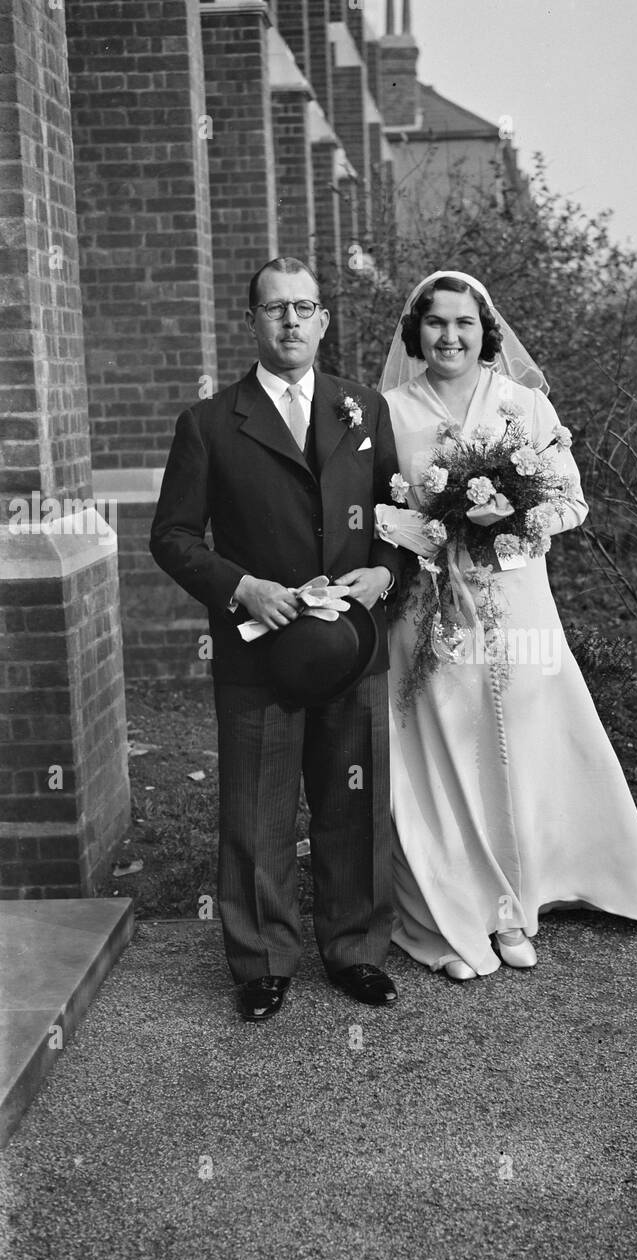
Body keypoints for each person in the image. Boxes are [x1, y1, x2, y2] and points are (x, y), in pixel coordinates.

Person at [377, 271, 637, 980]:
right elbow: (368, 509)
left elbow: (569, 502)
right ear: (416, 331)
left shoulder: (522, 405)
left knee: (512, 746)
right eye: (435, 323)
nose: (449, 336)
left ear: (485, 332)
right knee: (441, 753)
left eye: (463, 324)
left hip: (514, 605)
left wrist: (507, 518)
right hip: (429, 608)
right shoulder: (386, 412)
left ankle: (516, 908)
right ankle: (454, 909)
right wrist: (417, 526)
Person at [151, 256, 407, 1020]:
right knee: (257, 809)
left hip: (350, 646)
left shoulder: (363, 409)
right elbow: (170, 537)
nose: (290, 321)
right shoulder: (208, 423)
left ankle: (357, 951)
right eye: (273, 309)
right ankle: (262, 961)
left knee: (354, 803)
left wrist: (383, 576)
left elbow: (396, 519)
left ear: (324, 320)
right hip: (258, 649)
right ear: (252, 321)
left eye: (303, 308)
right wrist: (242, 586)